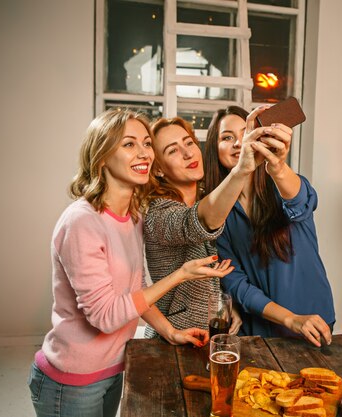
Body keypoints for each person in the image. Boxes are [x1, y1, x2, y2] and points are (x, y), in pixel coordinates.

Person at [28, 109, 233, 417]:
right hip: (70, 383)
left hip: (113, 369)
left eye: (146, 143)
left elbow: (133, 290)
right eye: (128, 144)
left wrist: (169, 331)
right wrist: (180, 274)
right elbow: (106, 317)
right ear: (101, 156)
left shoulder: (131, 216)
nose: (143, 153)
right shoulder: (82, 222)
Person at [203, 105, 336, 347]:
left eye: (246, 133)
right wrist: (289, 319)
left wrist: (277, 166)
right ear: (214, 149)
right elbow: (236, 283)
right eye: (227, 137)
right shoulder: (216, 212)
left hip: (313, 323)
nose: (238, 143)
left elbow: (300, 202)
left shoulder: (284, 184)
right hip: (260, 330)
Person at [143, 115, 281, 336]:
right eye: (172, 150)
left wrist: (226, 307)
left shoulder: (205, 198)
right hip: (170, 342)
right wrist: (241, 170)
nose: (188, 153)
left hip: (209, 338)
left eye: (188, 143)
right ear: (158, 169)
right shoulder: (159, 213)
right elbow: (198, 221)